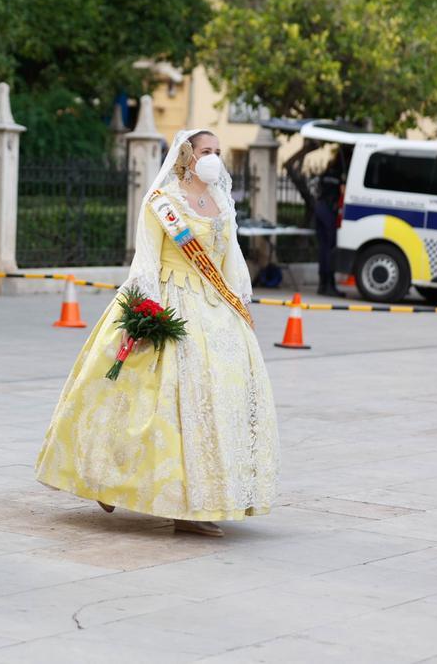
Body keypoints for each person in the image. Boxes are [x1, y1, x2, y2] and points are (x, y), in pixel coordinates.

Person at [35, 129, 279, 537]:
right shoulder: (161, 203)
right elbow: (144, 260)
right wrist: (145, 312)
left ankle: (200, 500)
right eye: (206, 151)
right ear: (187, 155)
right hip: (169, 299)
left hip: (216, 309)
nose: (213, 158)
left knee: (214, 402)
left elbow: (231, 255)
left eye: (218, 152)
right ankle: (110, 480)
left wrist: (242, 300)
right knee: (148, 402)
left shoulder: (221, 201)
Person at [314, 148, 349, 297]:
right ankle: (329, 285)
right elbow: (342, 193)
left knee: (323, 249)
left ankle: (322, 284)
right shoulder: (339, 176)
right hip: (328, 212)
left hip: (319, 210)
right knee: (330, 250)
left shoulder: (326, 173)